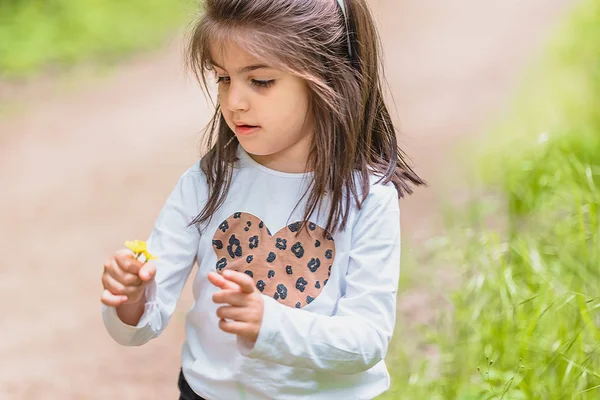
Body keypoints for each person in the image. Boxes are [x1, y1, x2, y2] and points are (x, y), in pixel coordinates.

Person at [100, 0, 424, 398]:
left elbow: (366, 339)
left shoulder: (366, 196)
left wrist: (266, 323)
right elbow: (141, 323)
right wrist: (130, 299)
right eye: (223, 78)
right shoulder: (207, 182)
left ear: (329, 78)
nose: (234, 101)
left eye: (261, 81)